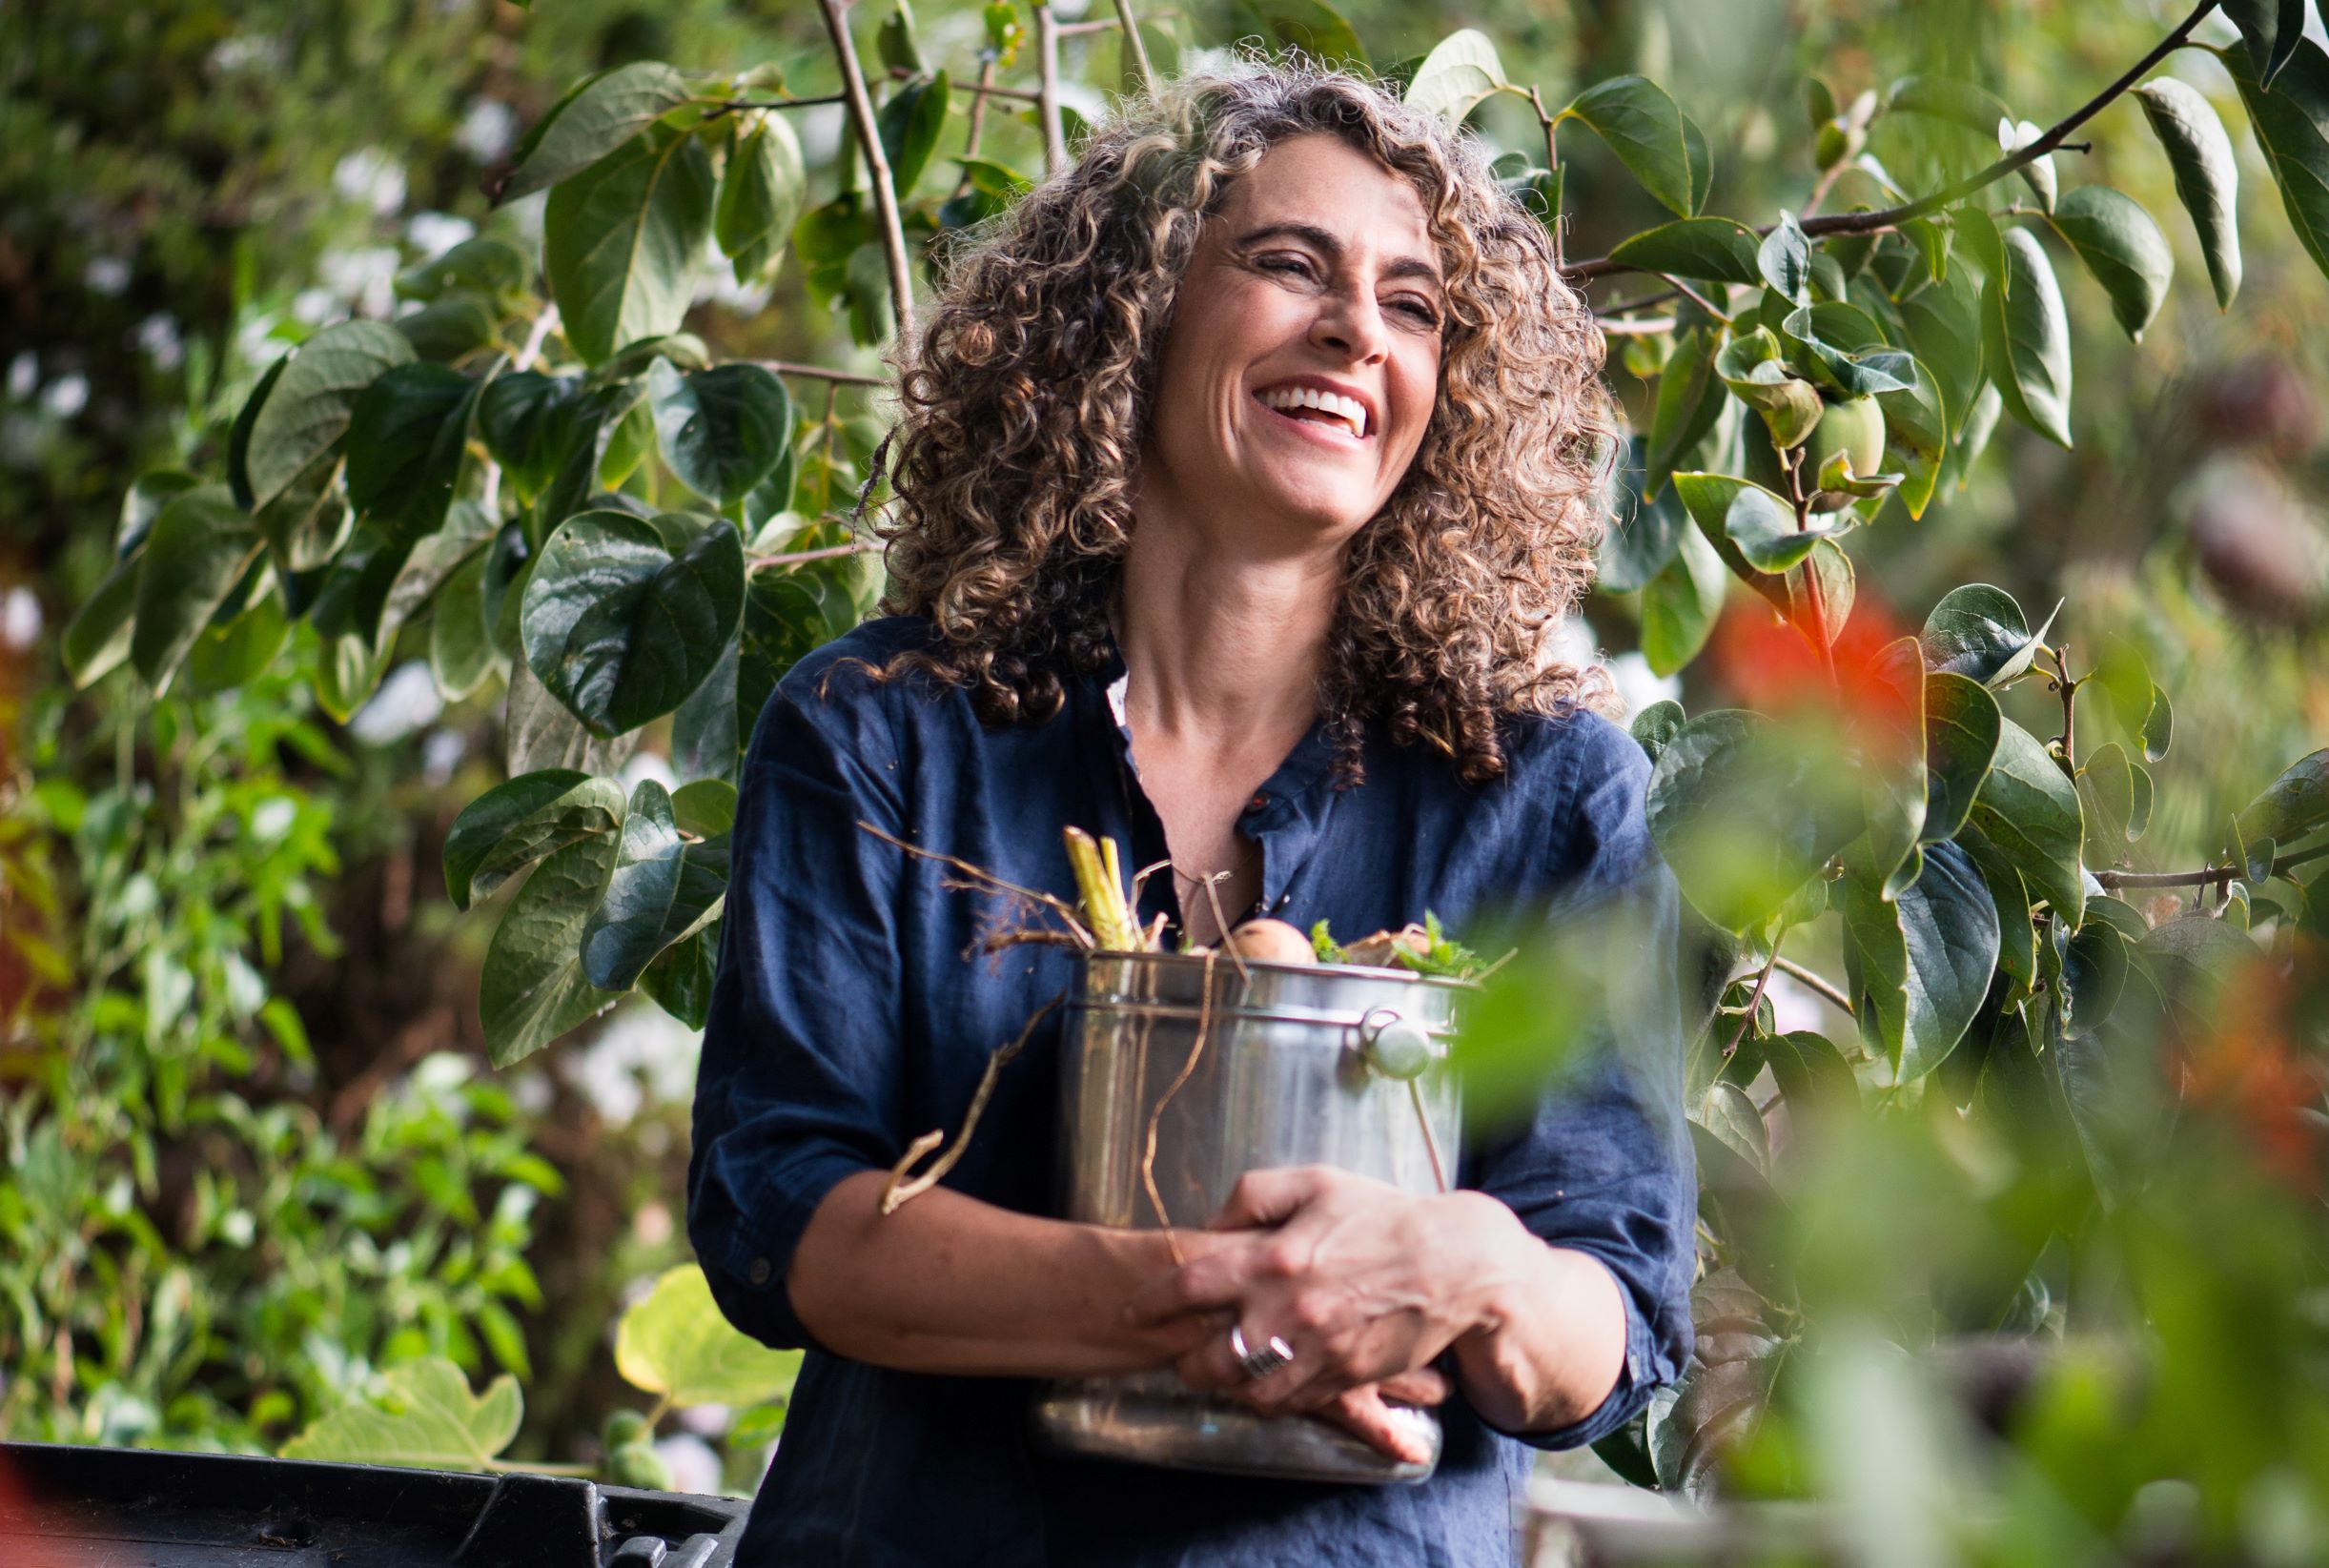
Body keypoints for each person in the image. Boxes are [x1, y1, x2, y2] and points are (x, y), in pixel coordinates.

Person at [688, 57, 1695, 1567]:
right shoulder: (878, 728)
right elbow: (787, 1217)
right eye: (1291, 263)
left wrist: (1470, 1266)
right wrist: (1232, 1300)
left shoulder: (1547, 795)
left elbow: (1607, 1319)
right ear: (1133, 311)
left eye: (1413, 304)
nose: (1357, 329)